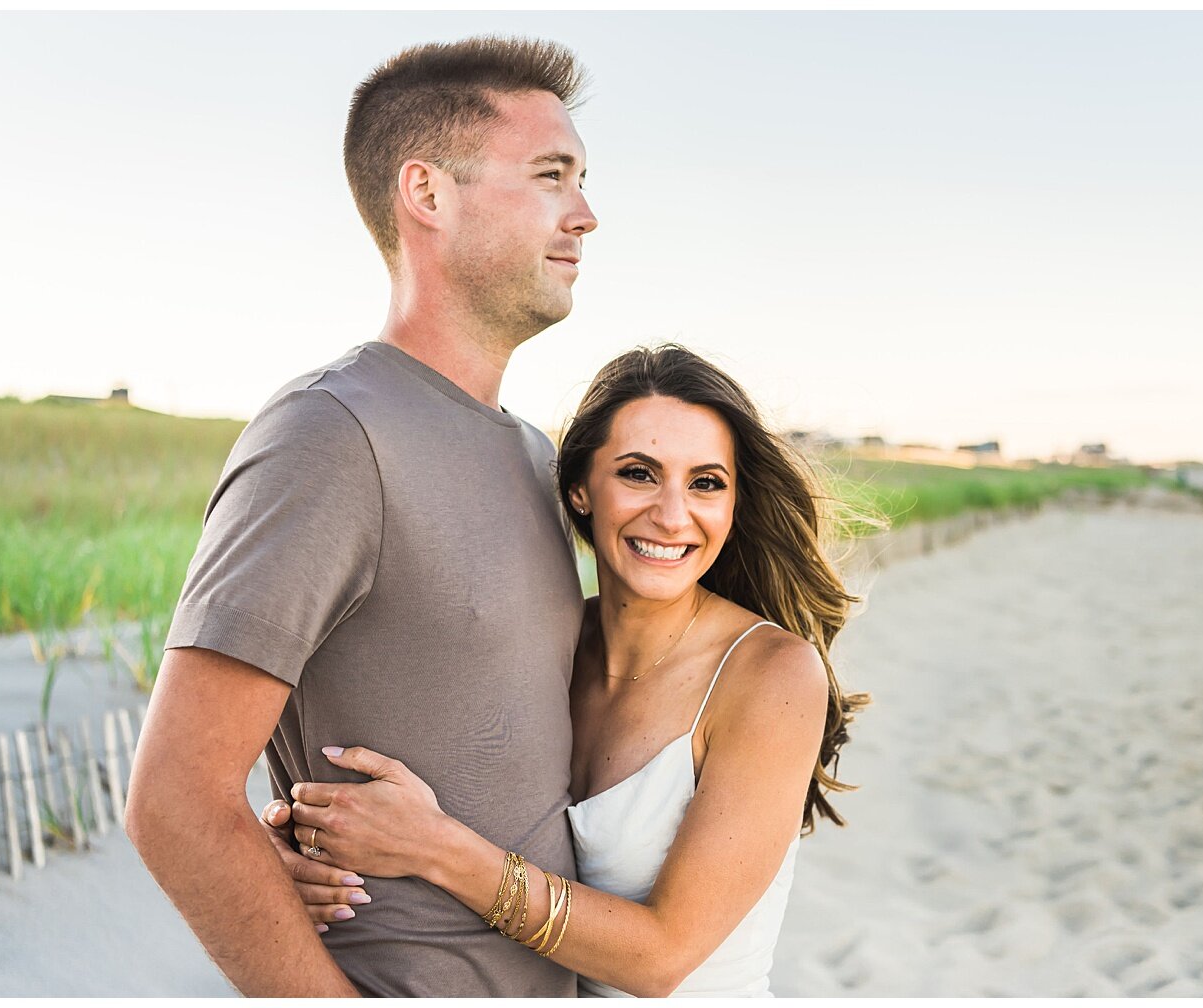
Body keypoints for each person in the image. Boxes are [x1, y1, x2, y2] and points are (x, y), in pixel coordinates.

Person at [125, 36, 597, 997]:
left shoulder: (536, 456)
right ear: (428, 193)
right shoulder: (332, 432)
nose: (586, 215)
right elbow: (175, 798)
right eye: (551, 176)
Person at [263, 345, 869, 997]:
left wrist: (436, 850)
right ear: (581, 488)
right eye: (639, 473)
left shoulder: (772, 675)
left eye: (706, 482)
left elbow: (662, 958)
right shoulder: (548, 642)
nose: (672, 514)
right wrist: (292, 846)